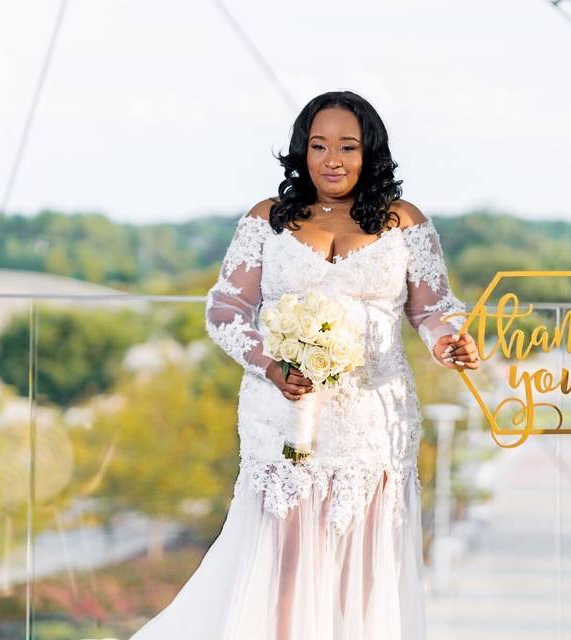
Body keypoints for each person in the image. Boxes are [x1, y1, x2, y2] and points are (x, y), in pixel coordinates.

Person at [130, 90, 479, 640]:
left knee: (365, 564)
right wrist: (269, 365)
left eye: (347, 146)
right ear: (301, 150)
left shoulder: (404, 221)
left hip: (374, 418)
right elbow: (226, 308)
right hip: (283, 412)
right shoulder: (266, 219)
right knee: (285, 560)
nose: (332, 160)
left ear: (371, 153)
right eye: (318, 146)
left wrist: (448, 341)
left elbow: (432, 309)